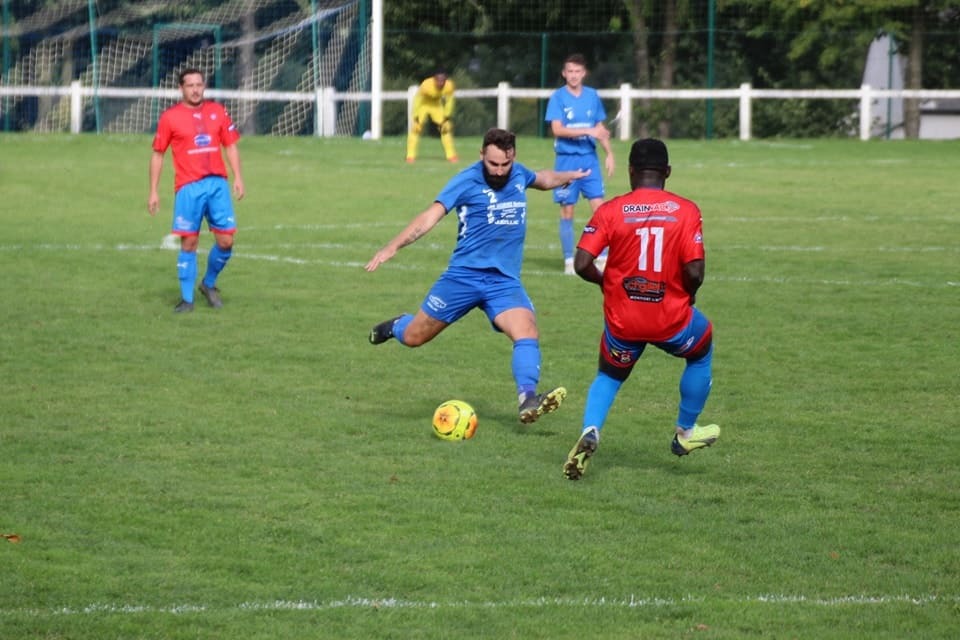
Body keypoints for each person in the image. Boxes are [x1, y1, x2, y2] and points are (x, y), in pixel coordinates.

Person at [366, 128, 590, 424]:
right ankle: (397, 325)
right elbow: (430, 216)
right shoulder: (466, 180)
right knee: (414, 337)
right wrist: (393, 246)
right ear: (482, 155)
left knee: (527, 330)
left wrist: (569, 176)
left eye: (504, 165)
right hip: (462, 278)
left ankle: (527, 398)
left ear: (513, 158)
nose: (498, 172)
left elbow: (543, 179)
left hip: (503, 282)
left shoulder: (518, 174)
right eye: (492, 164)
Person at [562, 138, 719, 480]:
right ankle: (686, 432)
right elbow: (695, 271)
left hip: (623, 322)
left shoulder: (610, 210)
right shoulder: (686, 210)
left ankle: (591, 430)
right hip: (671, 320)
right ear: (667, 172)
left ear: (631, 171)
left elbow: (582, 262)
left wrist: (607, 283)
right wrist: (687, 296)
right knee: (702, 347)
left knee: (609, 375)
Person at [148, 67, 245, 313]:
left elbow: (231, 146)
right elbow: (158, 154)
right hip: (188, 187)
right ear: (181, 89)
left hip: (217, 185)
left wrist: (238, 177)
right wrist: (153, 190)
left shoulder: (217, 111)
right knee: (189, 243)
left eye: (199, 85)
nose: (195, 89)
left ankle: (208, 284)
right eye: (190, 85)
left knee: (226, 240)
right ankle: (186, 300)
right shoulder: (170, 117)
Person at [544, 53, 615, 275]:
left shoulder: (593, 96)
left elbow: (600, 129)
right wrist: (587, 130)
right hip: (567, 161)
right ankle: (568, 260)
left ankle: (602, 257)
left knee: (600, 210)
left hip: (589, 160)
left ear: (584, 73)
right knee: (567, 211)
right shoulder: (557, 98)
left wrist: (609, 153)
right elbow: (556, 129)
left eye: (577, 71)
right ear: (564, 74)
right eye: (569, 72)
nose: (573, 76)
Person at [405, 68, 458, 163]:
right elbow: (418, 100)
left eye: (443, 81)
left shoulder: (449, 86)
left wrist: (447, 115)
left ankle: (451, 155)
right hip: (423, 105)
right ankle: (410, 155)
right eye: (438, 80)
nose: (441, 83)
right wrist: (416, 116)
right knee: (416, 129)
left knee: (445, 128)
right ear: (434, 79)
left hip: (436, 105)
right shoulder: (426, 85)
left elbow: (450, 101)